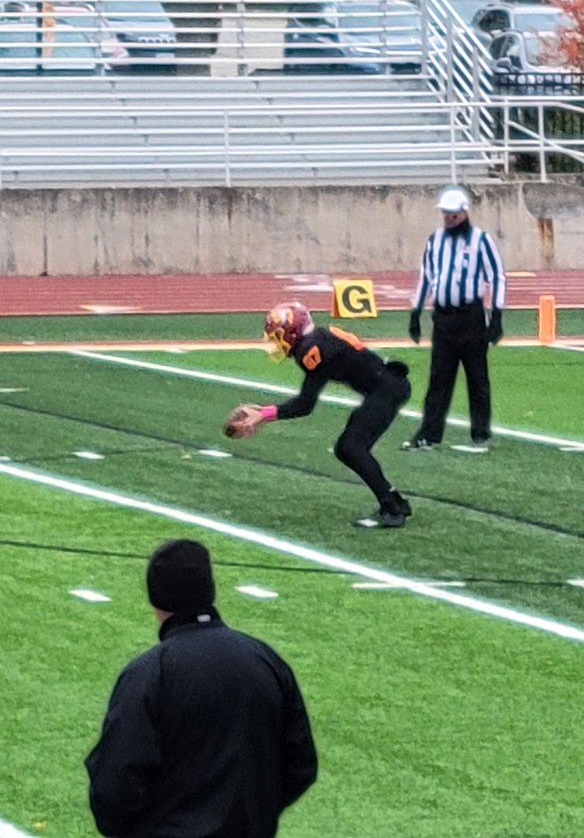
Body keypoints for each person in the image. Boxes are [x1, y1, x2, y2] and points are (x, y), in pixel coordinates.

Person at [85, 538, 318, 837]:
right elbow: (299, 763)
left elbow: (116, 782)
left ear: (156, 600)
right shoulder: (265, 660)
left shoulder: (150, 672)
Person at [226, 301, 414, 528]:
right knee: (349, 448)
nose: (277, 343)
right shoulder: (317, 341)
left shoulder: (311, 349)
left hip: (387, 389)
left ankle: (393, 508)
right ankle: (395, 501)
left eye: (278, 335)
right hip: (386, 385)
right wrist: (265, 413)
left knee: (351, 447)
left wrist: (265, 414)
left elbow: (305, 404)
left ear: (293, 332)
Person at [406, 186, 507, 451]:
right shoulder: (435, 241)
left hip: (471, 316)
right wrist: (415, 312)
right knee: (439, 378)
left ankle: (481, 430)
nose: (449, 218)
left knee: (477, 377)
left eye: (453, 214)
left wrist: (496, 314)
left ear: (464, 212)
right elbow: (426, 276)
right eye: (446, 214)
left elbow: (496, 276)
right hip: (443, 318)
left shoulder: (481, 240)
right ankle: (429, 431)